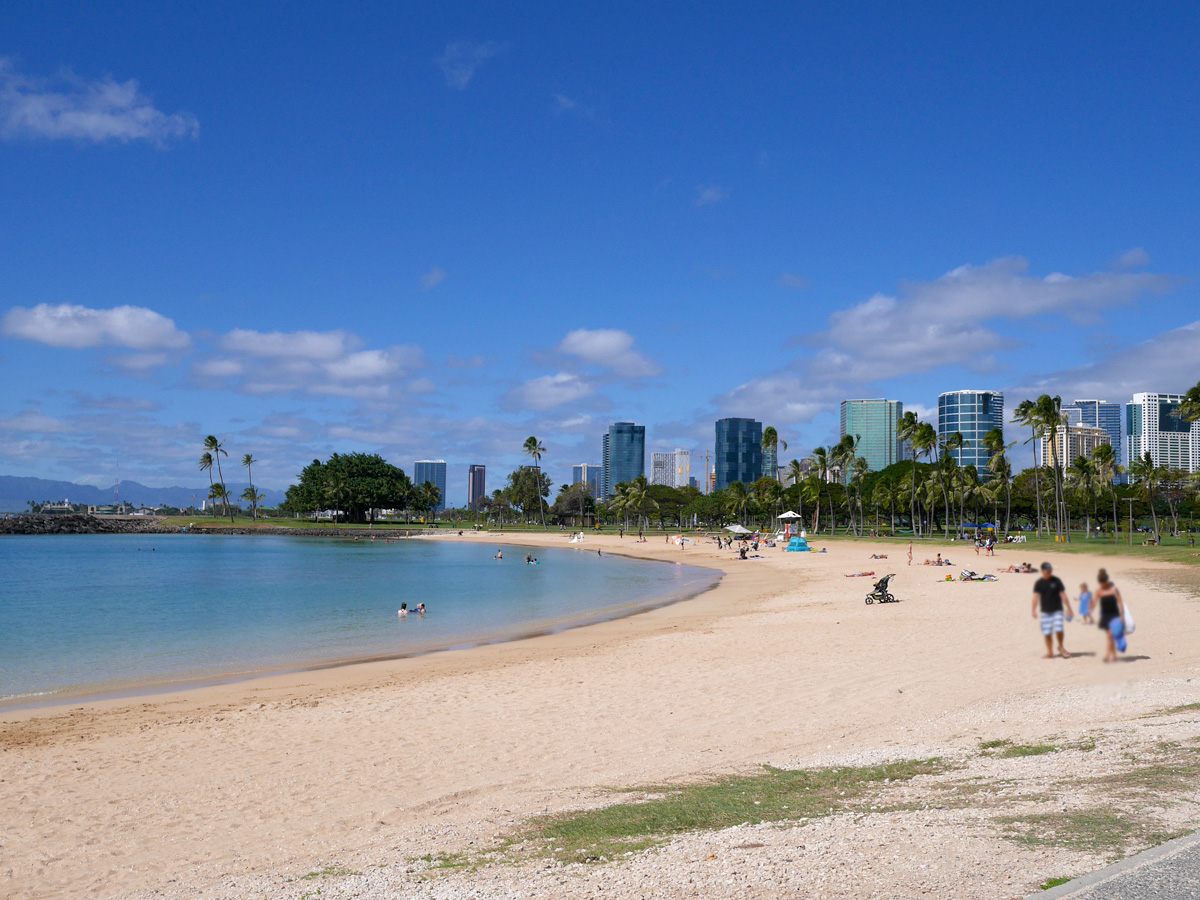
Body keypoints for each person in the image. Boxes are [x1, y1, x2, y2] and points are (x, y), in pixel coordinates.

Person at [1031, 562, 1072, 659]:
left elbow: (1063, 595)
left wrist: (1069, 609)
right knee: (1047, 632)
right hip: (1045, 611)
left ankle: (1061, 647)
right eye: (1047, 570)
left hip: (1057, 609)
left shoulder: (1057, 581)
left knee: (1059, 629)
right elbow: (1035, 597)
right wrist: (1033, 610)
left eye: (1050, 570)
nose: (1049, 572)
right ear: (1042, 571)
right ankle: (1050, 652)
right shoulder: (1039, 583)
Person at [1095, 569, 1126, 663]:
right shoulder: (1099, 591)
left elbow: (1120, 602)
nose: (1102, 585)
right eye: (1101, 583)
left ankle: (1108, 655)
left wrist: (1122, 616)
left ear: (1106, 581)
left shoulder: (1114, 590)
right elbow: (1094, 602)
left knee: (1110, 636)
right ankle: (1114, 656)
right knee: (1109, 636)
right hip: (1105, 616)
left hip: (1114, 615)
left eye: (1103, 583)